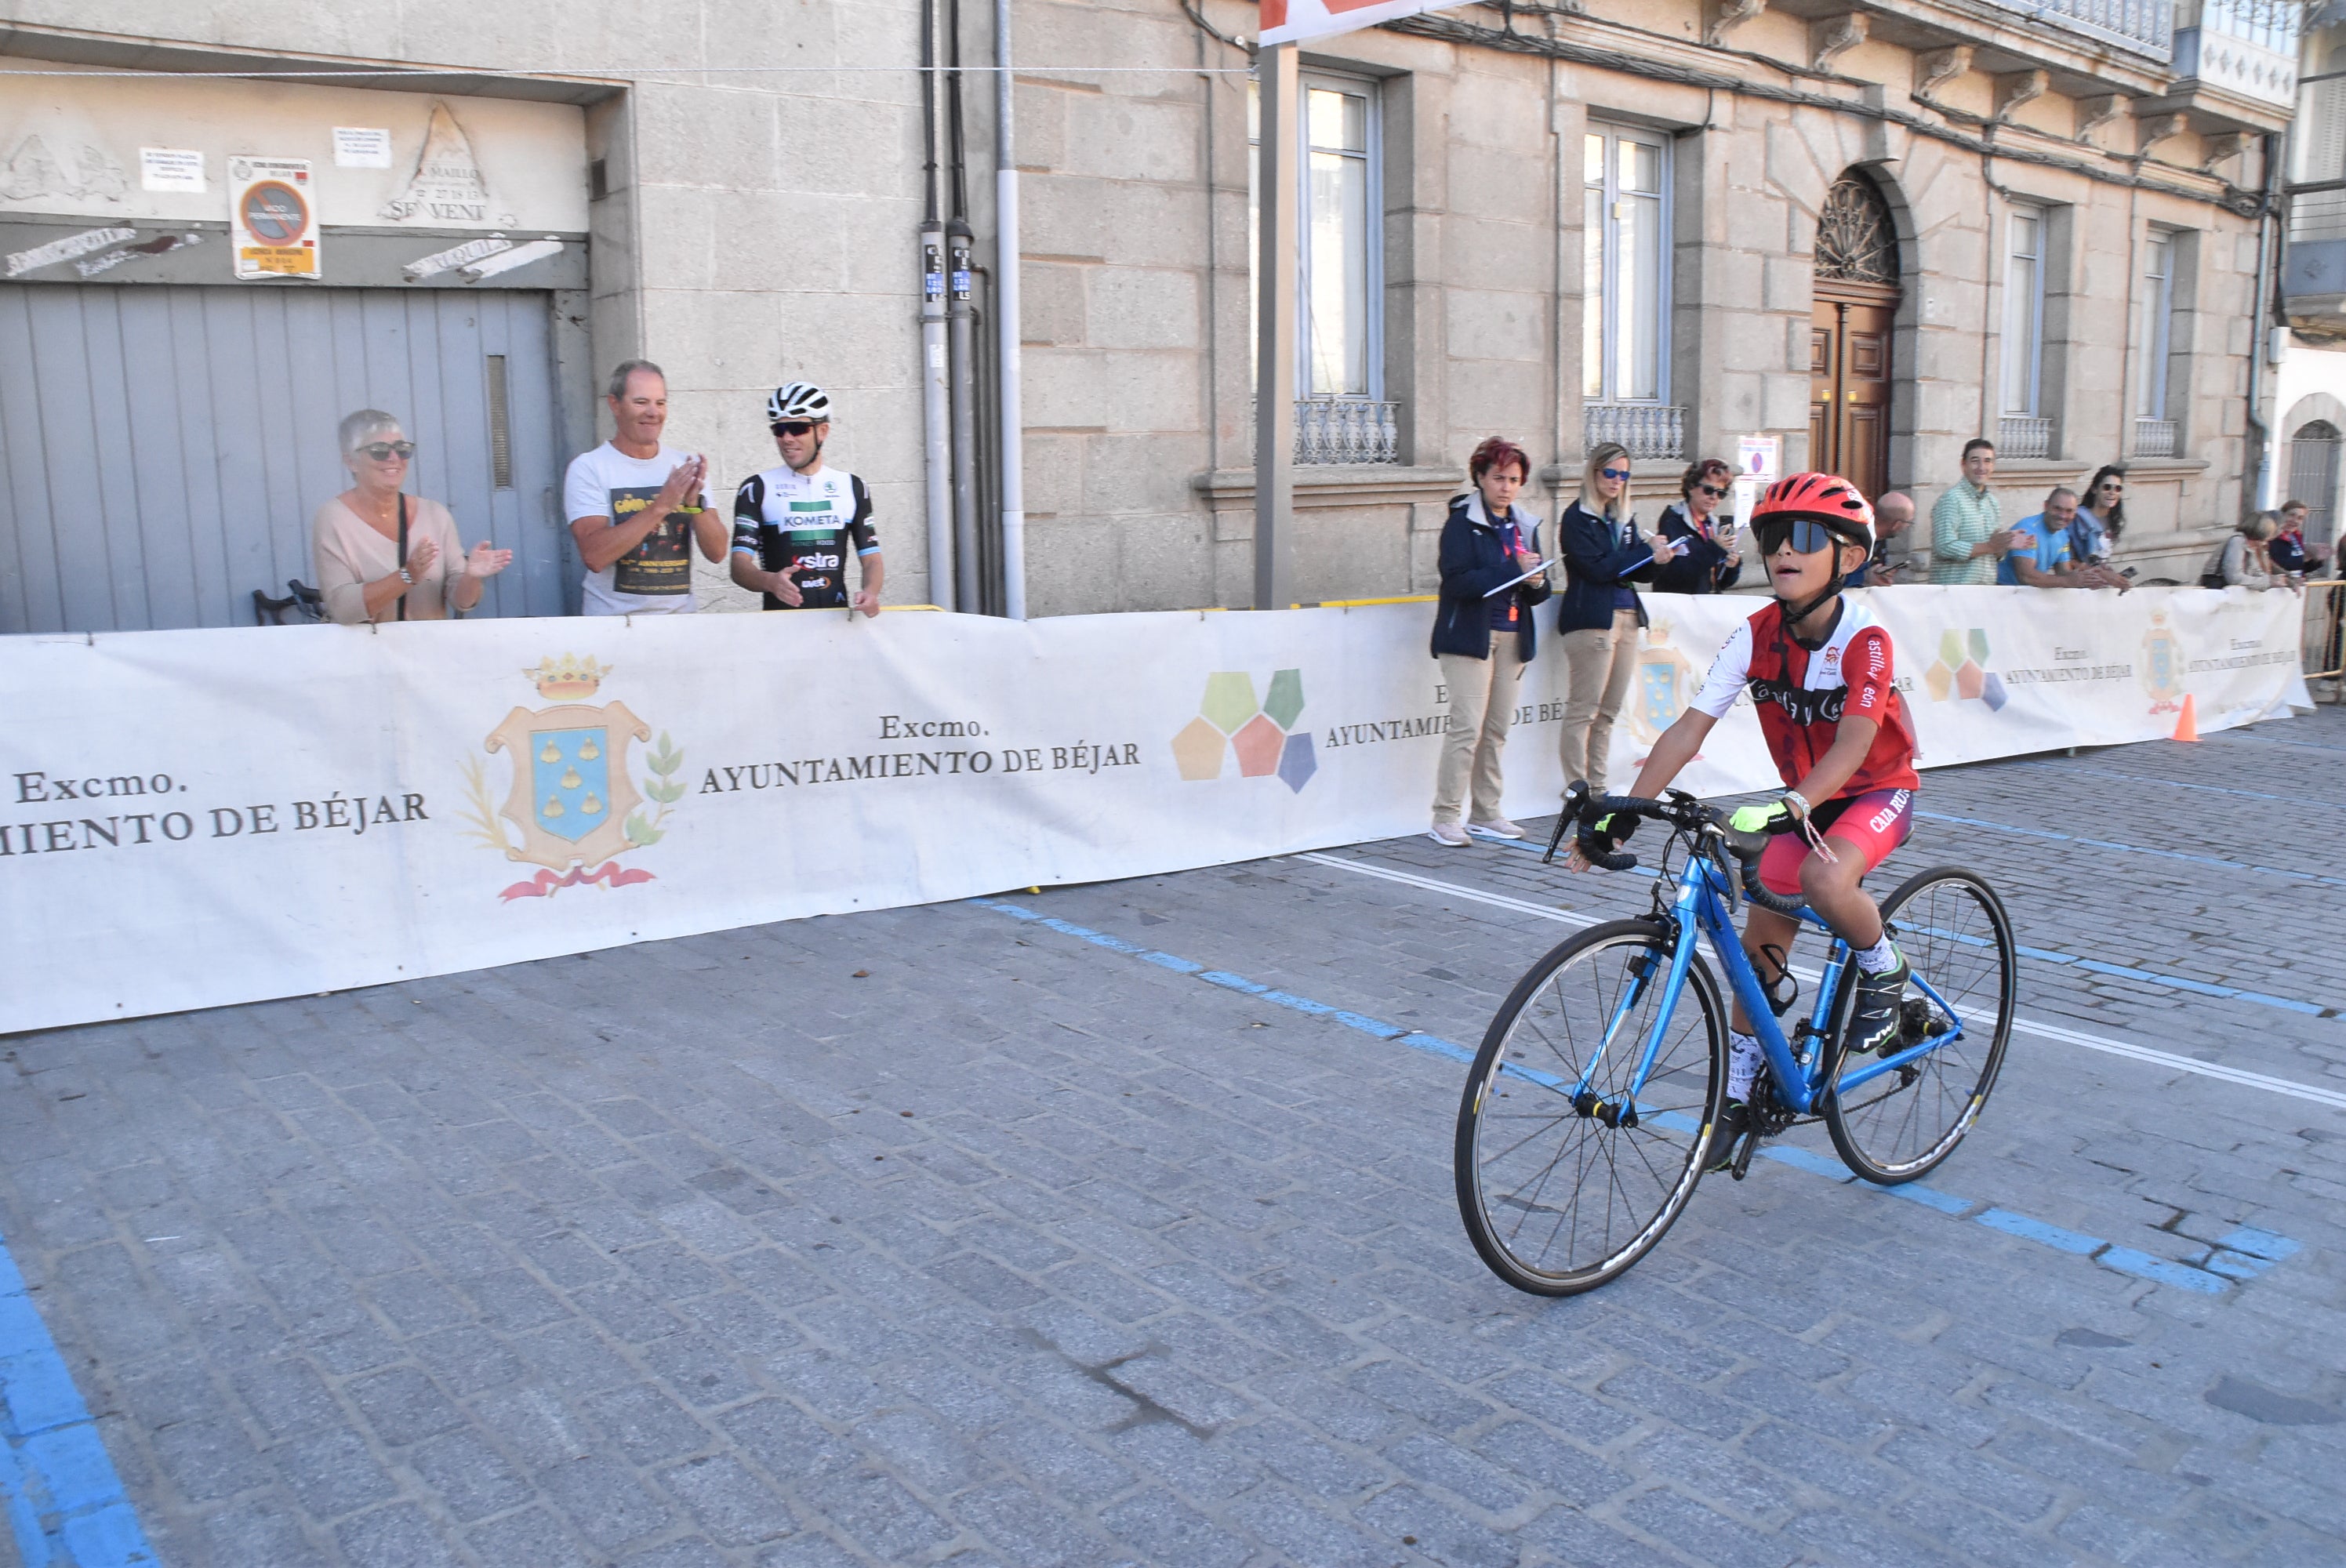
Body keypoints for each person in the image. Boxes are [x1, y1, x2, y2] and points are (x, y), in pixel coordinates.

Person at [1571, 472, 1919, 1161]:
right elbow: (1687, 729)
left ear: (1849, 558)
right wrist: (1626, 812)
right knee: (1760, 940)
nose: (1786, 550)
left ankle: (1885, 969)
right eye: (1774, 538)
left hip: (1874, 789)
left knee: (1823, 881)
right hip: (1805, 799)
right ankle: (1745, 1089)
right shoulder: (1755, 632)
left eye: (1808, 538)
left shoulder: (1865, 638)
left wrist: (1793, 803)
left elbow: (1854, 742)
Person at [1428, 437, 1551, 846]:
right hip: (1469, 637)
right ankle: (1446, 816)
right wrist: (1511, 568)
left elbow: (1537, 591)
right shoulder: (1461, 523)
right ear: (1480, 477)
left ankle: (1486, 811)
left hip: (1514, 635)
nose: (1506, 486)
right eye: (1498, 477)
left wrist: (1537, 581)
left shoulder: (1525, 525)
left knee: (1497, 729)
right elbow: (1458, 581)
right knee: (1467, 728)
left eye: (1514, 479)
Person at [1555, 442, 1676, 795]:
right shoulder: (1577, 517)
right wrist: (1643, 552)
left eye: (1623, 475)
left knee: (1609, 710)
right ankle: (1577, 787)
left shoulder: (1623, 518)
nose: (1617, 481)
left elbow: (1639, 572)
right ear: (1594, 473)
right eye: (1610, 473)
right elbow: (1597, 568)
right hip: (1592, 618)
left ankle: (1598, 786)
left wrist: (1657, 559)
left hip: (1627, 615)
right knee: (1585, 709)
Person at [313, 410, 511, 624]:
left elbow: (462, 602)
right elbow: (344, 609)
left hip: (423, 654)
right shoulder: (334, 518)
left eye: (402, 449)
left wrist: (472, 576)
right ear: (351, 461)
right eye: (379, 451)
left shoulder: (435, 515)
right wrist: (407, 576)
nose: (394, 458)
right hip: (363, 655)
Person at [564, 360, 728, 615]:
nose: (653, 412)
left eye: (660, 403)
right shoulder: (589, 468)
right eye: (641, 402)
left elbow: (717, 553)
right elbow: (595, 556)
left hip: (680, 623)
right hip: (613, 625)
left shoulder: (684, 466)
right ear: (614, 404)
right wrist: (661, 506)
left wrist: (696, 506)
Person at [730, 382, 884, 615]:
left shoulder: (853, 487)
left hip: (837, 625)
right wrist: (770, 581)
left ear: (822, 431)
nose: (787, 438)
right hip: (782, 629)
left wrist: (871, 592)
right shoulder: (756, 488)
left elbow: (872, 559)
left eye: (797, 428)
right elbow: (739, 566)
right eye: (779, 431)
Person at [1930, 438, 2032, 584]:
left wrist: (2004, 544)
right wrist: (1990, 546)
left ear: (1993, 466)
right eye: (1975, 461)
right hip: (1953, 594)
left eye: (1987, 461)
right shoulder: (1951, 500)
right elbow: (1944, 547)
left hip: (1984, 593)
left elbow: (1996, 553)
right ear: (1963, 464)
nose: (1981, 467)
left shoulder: (1992, 503)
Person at [1651, 458, 1743, 594]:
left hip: (1708, 604)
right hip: (1680, 605)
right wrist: (1714, 548)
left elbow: (1722, 583)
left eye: (1721, 493)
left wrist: (1732, 566)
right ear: (1691, 487)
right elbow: (1677, 574)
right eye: (1708, 490)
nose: (1714, 497)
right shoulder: (1673, 521)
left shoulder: (1713, 524)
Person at [1998, 488, 2084, 588]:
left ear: (2075, 514)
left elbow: (2063, 572)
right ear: (2046, 506)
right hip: (2003, 591)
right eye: (2057, 509)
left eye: (2069, 511)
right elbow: (2026, 576)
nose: (2063, 516)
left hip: (2029, 595)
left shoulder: (2063, 534)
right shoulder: (2027, 530)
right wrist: (2067, 581)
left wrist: (2088, 577)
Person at [1847, 491, 1913, 586]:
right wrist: (1864, 577)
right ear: (1896, 525)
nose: (1908, 527)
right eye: (1908, 522)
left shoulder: (1879, 539)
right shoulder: (1854, 539)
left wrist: (1878, 572)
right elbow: (1827, 577)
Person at [2217, 514, 2287, 591]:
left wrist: (2274, 580)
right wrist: (2268, 582)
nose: (2265, 543)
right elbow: (2234, 577)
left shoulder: (2251, 547)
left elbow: (2256, 572)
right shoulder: (2237, 542)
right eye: (2265, 540)